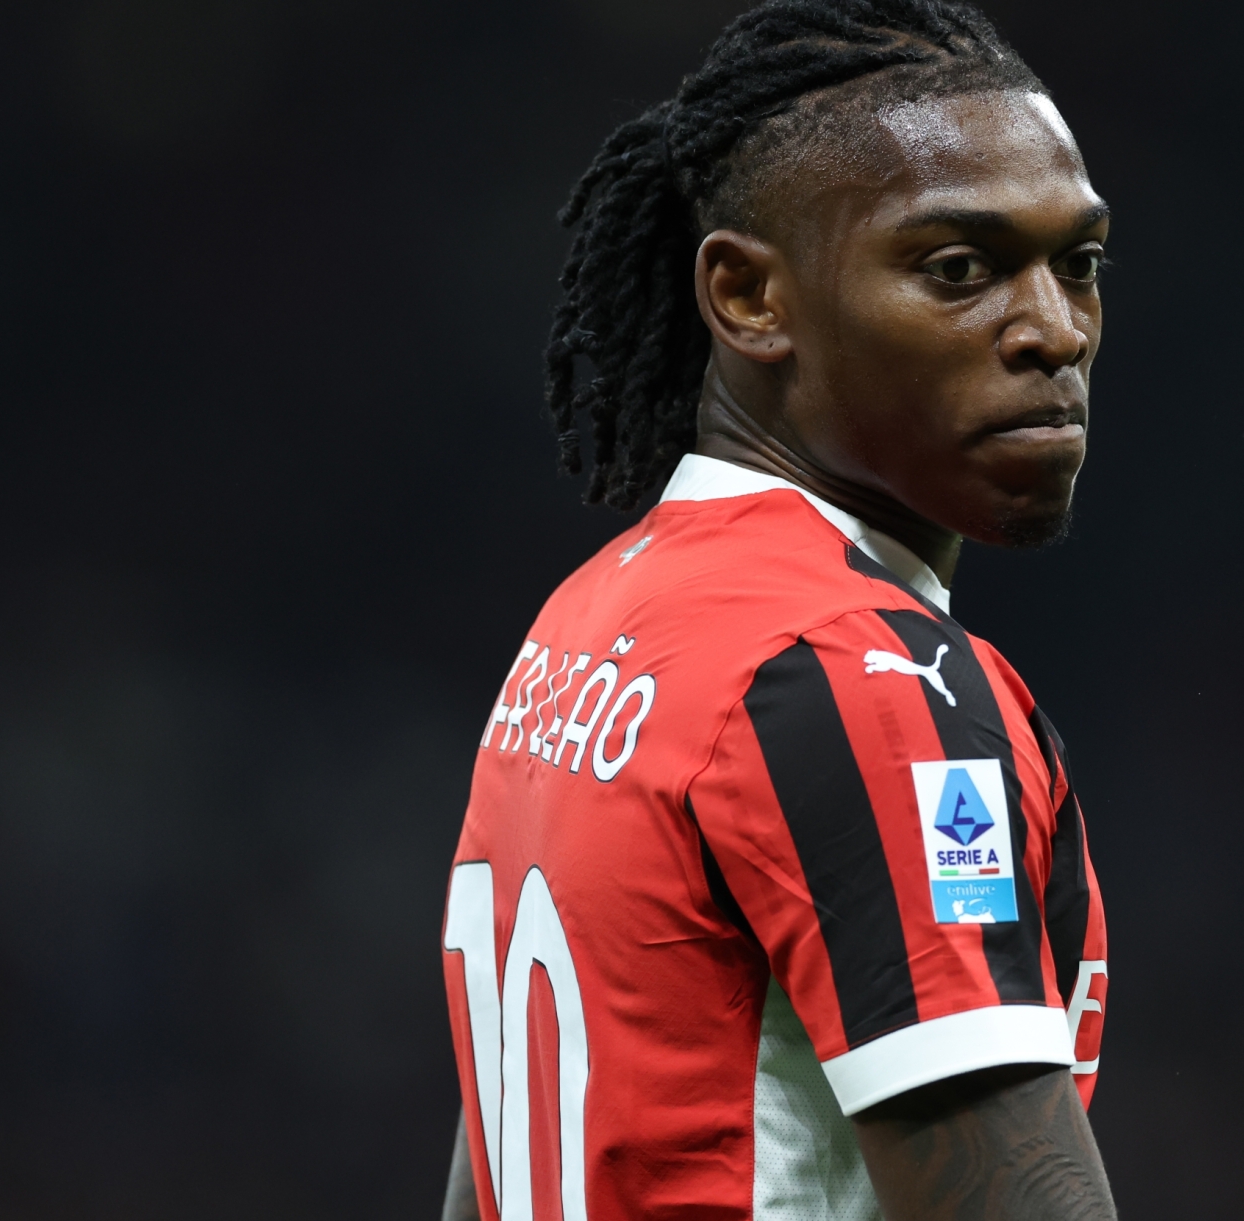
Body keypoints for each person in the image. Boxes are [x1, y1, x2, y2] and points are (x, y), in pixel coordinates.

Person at [438, 2, 1113, 1216]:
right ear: (750, 297)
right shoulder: (856, 673)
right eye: (958, 270)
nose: (1053, 331)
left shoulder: (589, 629)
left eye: (1079, 264)